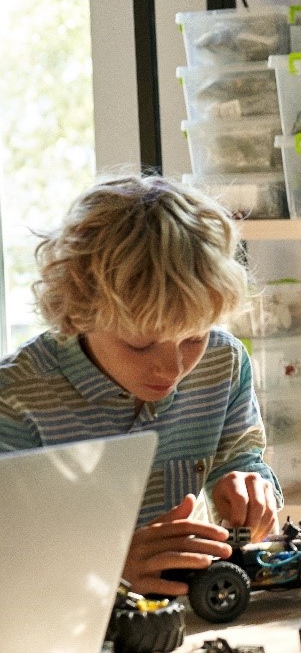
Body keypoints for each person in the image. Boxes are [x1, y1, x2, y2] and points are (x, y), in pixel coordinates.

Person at [0, 174, 282, 596]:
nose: (171, 368)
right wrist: (109, 570)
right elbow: (11, 558)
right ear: (79, 311)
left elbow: (240, 460)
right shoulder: (16, 398)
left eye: (193, 337)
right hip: (67, 630)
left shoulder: (222, 362)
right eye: (140, 343)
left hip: (190, 613)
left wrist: (247, 486)